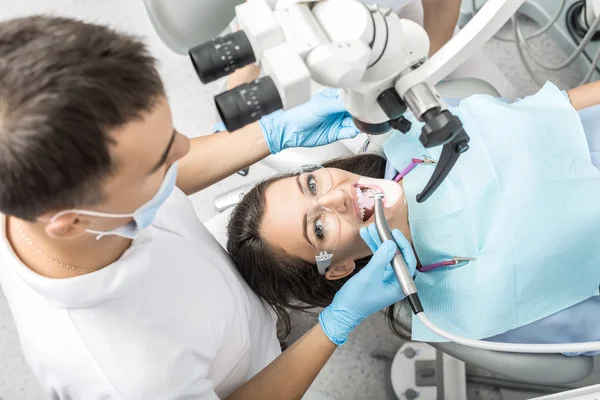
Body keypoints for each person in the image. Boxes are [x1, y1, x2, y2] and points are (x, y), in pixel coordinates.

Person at [0, 16, 418, 399]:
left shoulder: (32, 164)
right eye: (160, 161)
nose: (184, 148)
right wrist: (336, 324)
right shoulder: (128, 376)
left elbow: (159, 165)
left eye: (171, 133)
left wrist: (268, 134)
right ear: (72, 222)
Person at [226, 79, 600, 355]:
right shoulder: (454, 312)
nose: (337, 196)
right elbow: (586, 326)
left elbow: (559, 109)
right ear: (338, 268)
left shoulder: (417, 135)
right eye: (318, 228)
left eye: (311, 184)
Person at [227, 0, 516, 100]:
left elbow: (442, 5)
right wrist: (238, 95)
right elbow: (257, 34)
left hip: (395, 26)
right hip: (307, 54)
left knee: (492, 96)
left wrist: (428, 71)